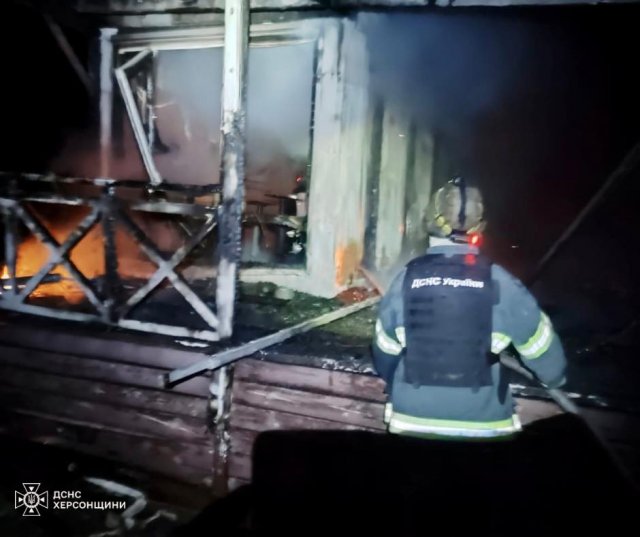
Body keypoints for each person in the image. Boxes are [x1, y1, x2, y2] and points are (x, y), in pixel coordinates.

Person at [372, 177, 567, 439]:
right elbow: (543, 351)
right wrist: (555, 380)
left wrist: (397, 381)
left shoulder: (405, 280)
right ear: (479, 227)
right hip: (485, 427)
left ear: (430, 222)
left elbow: (384, 353)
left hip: (411, 423)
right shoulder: (502, 283)